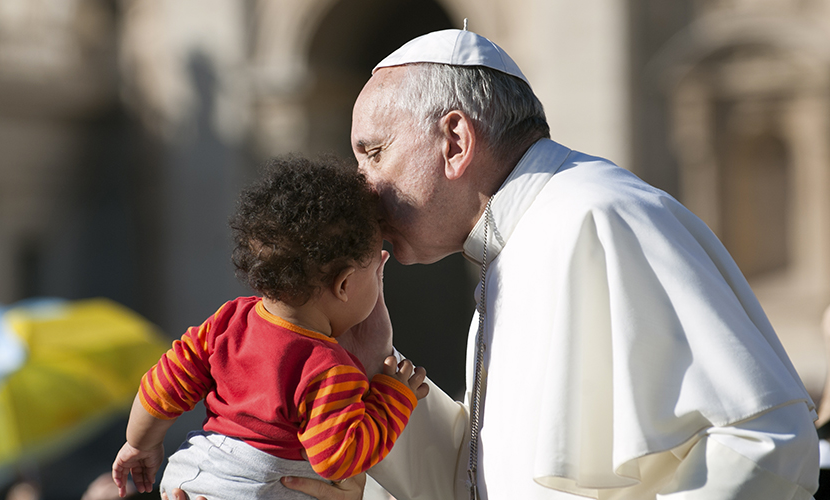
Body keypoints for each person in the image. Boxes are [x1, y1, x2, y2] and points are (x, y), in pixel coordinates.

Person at [281, 29, 821, 500]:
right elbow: (481, 483)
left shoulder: (599, 216)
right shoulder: (508, 249)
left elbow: (763, 444)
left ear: (454, 141)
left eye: (373, 154)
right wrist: (371, 365)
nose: (362, 189)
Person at [111, 155, 428, 500]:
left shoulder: (230, 320)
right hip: (254, 487)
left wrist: (139, 444)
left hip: (189, 471)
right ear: (345, 284)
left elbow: (164, 384)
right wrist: (392, 398)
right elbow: (337, 460)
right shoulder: (330, 369)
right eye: (375, 271)